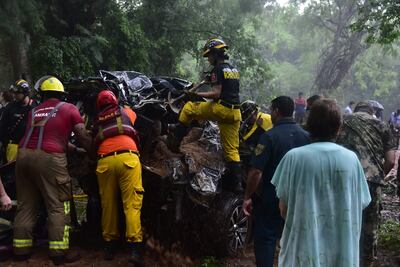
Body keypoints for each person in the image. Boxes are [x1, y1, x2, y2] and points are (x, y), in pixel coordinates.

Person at [271, 99, 371, 267]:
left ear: (309, 125)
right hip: (342, 255)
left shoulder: (294, 157)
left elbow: (283, 209)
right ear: (339, 127)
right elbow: (360, 204)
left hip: (302, 254)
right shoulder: (352, 160)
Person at [12, 76, 92, 265]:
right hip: (50, 159)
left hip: (23, 156)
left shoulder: (34, 111)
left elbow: (45, 135)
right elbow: (82, 135)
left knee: (25, 205)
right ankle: (59, 253)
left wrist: (76, 150)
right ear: (61, 94)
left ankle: (21, 250)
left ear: (43, 95)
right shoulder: (69, 108)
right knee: (58, 205)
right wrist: (92, 152)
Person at [242, 96, 310, 267]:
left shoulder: (269, 137)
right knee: (294, 238)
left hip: (271, 197)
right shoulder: (307, 136)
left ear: (277, 111)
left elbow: (256, 171)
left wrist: (248, 196)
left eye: (271, 110)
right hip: (299, 198)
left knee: (266, 237)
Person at [171, 38, 242, 193]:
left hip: (221, 109)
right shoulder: (233, 70)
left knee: (189, 108)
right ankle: (236, 186)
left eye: (209, 55)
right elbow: (227, 87)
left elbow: (217, 93)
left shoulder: (218, 69)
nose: (208, 58)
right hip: (235, 113)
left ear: (216, 54)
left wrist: (195, 94)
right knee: (231, 150)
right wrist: (210, 79)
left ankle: (174, 143)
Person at [336, 101, 396, 267]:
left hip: (343, 178)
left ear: (356, 109)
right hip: (371, 180)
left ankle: (343, 257)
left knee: (343, 218)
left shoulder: (343, 120)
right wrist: (378, 173)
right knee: (370, 224)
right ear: (373, 111)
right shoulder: (382, 125)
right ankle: (367, 261)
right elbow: (391, 161)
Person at [93, 90, 144, 264]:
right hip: (128, 159)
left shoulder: (96, 120)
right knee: (132, 204)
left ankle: (109, 246)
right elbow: (138, 118)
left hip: (104, 161)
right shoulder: (126, 111)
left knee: (108, 205)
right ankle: (135, 249)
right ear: (115, 101)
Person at [0, 80, 36, 199]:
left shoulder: (35, 106)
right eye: (14, 93)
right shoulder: (10, 108)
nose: (15, 95)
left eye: (17, 93)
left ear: (25, 93)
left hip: (31, 147)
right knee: (14, 176)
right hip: (14, 147)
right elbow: (2, 128)